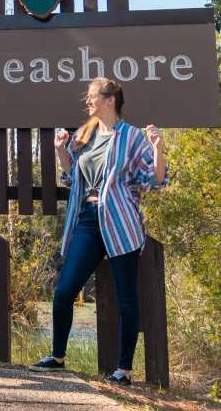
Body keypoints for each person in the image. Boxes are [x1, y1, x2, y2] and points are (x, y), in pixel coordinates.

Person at [29, 77, 168, 385]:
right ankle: (58, 357)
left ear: (109, 100)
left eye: (92, 97)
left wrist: (158, 148)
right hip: (88, 221)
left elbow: (156, 179)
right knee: (65, 290)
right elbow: (70, 174)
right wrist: (60, 150)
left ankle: (124, 370)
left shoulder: (131, 137)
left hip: (120, 223)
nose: (87, 102)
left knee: (126, 299)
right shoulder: (85, 133)